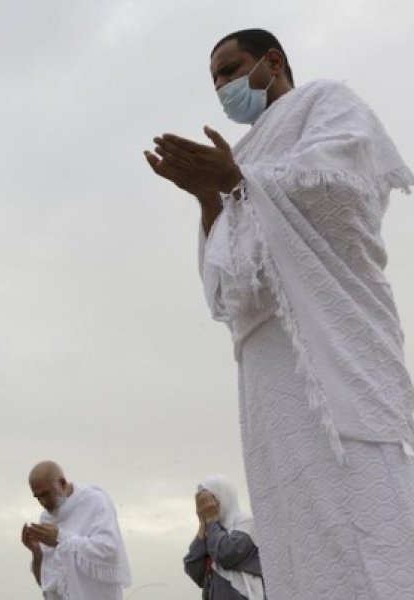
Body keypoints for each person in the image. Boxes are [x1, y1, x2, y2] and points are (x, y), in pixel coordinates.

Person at [144, 28, 414, 598]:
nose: (223, 85)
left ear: (272, 62)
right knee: (293, 513)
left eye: (231, 68)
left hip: (334, 337)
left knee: (361, 499)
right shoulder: (242, 155)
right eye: (214, 79)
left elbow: (344, 193)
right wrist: (210, 197)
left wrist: (238, 181)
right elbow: (227, 289)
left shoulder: (324, 101)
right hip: (269, 369)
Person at [21, 461, 131, 600]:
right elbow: (46, 585)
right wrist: (37, 553)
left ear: (62, 483)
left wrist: (60, 538)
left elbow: (109, 548)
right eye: (38, 497)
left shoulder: (95, 501)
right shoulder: (47, 519)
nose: (42, 502)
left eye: (46, 494)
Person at [183, 475, 264, 600]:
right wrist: (203, 524)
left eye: (210, 500)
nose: (207, 506)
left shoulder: (246, 524)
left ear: (224, 497)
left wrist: (211, 520)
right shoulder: (213, 530)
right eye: (203, 503)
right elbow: (193, 568)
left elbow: (225, 553)